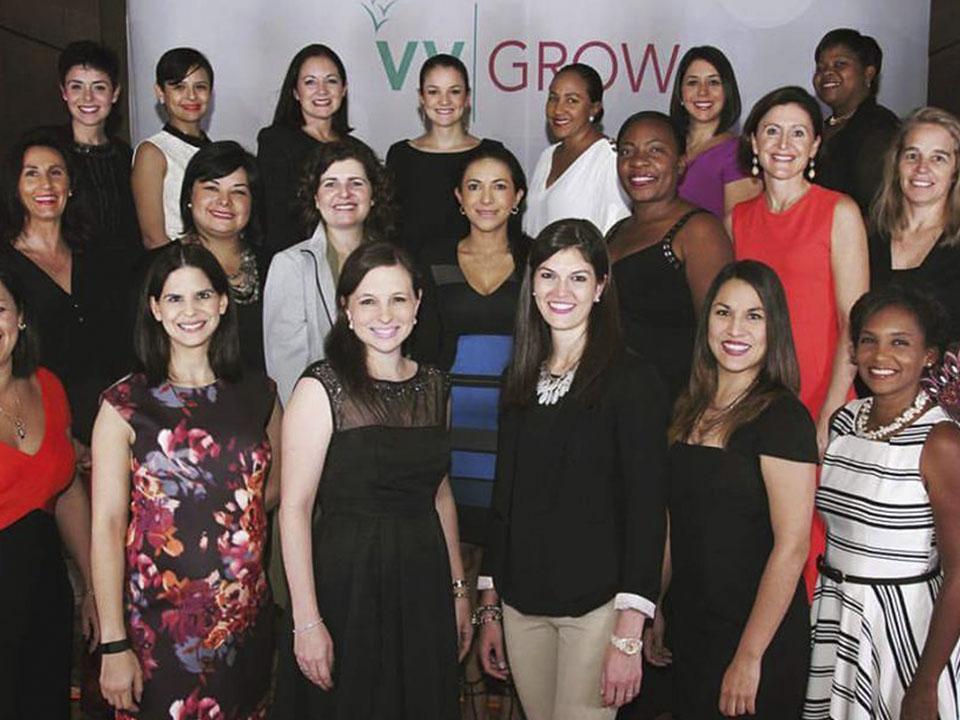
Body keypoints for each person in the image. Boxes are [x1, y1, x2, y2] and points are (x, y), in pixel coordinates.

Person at [477, 219, 668, 719]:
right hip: (521, 605)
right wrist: (490, 607)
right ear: (531, 284)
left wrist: (629, 635)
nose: (560, 291)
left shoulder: (633, 381)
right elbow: (504, 499)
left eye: (578, 277)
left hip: (597, 610)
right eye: (548, 275)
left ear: (601, 287)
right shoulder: (519, 377)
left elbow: (647, 512)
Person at [275, 242, 470, 718]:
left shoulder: (436, 386)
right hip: (347, 585)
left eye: (398, 299)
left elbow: (441, 495)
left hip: (422, 583)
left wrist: (458, 591)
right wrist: (306, 619)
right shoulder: (320, 387)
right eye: (368, 300)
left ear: (418, 304)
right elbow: (294, 508)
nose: (385, 315)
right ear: (346, 309)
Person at [91, 243, 281, 719]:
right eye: (175, 298)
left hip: (243, 623)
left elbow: (276, 490)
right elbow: (108, 525)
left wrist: (231, 526)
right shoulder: (124, 404)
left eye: (202, 295)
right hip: (156, 629)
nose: (190, 310)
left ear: (223, 302)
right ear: (155, 309)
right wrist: (114, 643)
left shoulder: (260, 393)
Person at [647, 260, 816, 719]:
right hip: (691, 629)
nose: (735, 329)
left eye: (753, 315)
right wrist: (656, 603)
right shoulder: (686, 408)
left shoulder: (784, 419)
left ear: (773, 327)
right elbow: (673, 522)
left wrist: (748, 656)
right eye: (723, 312)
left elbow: (793, 547)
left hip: (756, 640)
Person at [730, 86, 869, 595]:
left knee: (813, 546)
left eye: (797, 133)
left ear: (814, 146)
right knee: (759, 541)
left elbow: (855, 323)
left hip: (821, 399)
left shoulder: (839, 211)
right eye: (771, 131)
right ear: (753, 142)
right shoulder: (737, 219)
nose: (783, 144)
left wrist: (830, 411)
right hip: (756, 405)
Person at [805, 284, 960, 718]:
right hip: (837, 615)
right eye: (869, 340)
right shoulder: (844, 421)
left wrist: (925, 683)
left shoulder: (941, 441)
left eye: (900, 343)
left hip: (907, 631)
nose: (880, 355)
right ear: (853, 350)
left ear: (929, 355)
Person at [413, 143, 527, 544]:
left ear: (517, 197)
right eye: (474, 186)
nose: (486, 199)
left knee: (510, 533)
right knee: (452, 536)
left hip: (517, 419)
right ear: (459, 198)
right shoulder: (432, 257)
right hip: (449, 421)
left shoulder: (536, 258)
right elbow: (422, 350)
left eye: (499, 186)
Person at [0, 264, 99, 720]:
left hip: (44, 596)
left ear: (21, 317)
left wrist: (94, 586)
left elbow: (67, 490)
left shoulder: (48, 386)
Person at [0, 129, 125, 449]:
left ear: (70, 186)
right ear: (15, 187)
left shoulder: (98, 253)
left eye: (56, 172)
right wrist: (67, 440)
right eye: (32, 174)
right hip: (47, 428)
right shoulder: (4, 265)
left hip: (117, 420)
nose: (46, 184)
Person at [607, 111, 732, 400]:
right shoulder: (615, 233)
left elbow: (718, 330)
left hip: (675, 403)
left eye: (655, 150)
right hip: (616, 399)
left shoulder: (699, 230)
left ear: (680, 163)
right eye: (627, 151)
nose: (638, 161)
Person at [264, 139, 395, 405]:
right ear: (315, 198)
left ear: (373, 196)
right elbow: (285, 365)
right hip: (320, 412)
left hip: (387, 407)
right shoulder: (291, 264)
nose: (344, 193)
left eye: (356, 183)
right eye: (330, 184)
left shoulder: (394, 263)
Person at [386, 53, 504, 259]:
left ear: (467, 97)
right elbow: (389, 226)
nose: (444, 101)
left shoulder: (492, 153)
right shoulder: (400, 155)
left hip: (477, 272)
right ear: (421, 97)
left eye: (454, 91)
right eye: (433, 92)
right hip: (412, 271)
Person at [257, 44, 368, 256]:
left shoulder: (359, 151)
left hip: (353, 259)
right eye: (310, 82)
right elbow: (277, 217)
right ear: (295, 92)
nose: (322, 90)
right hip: (298, 258)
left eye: (331, 81)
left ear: (344, 89)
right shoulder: (276, 141)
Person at [869, 107, 960, 343]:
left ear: (955, 171)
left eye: (938, 158)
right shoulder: (870, 239)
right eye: (912, 155)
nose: (922, 168)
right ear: (896, 164)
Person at [55, 40, 141, 268]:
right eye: (76, 87)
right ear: (64, 92)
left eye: (99, 87)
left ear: (115, 93)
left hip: (126, 274)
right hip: (65, 274)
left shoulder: (127, 157)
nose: (87, 98)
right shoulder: (48, 151)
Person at [524, 64, 630, 238]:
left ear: (594, 108)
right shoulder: (547, 156)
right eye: (553, 98)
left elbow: (615, 235)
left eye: (572, 100)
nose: (558, 109)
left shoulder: (609, 158)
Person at [812, 28, 900, 215]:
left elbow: (876, 210)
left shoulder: (880, 128)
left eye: (840, 64)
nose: (827, 72)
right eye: (821, 67)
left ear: (868, 73)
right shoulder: (817, 128)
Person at [132, 47, 213, 248]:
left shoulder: (215, 151)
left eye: (200, 87)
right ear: (160, 93)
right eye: (179, 87)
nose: (191, 96)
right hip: (176, 263)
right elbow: (153, 239)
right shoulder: (152, 152)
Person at [670, 46, 759, 218]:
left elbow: (739, 229)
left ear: (727, 92)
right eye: (693, 82)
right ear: (680, 94)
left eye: (713, 82)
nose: (703, 91)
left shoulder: (739, 154)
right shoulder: (667, 146)